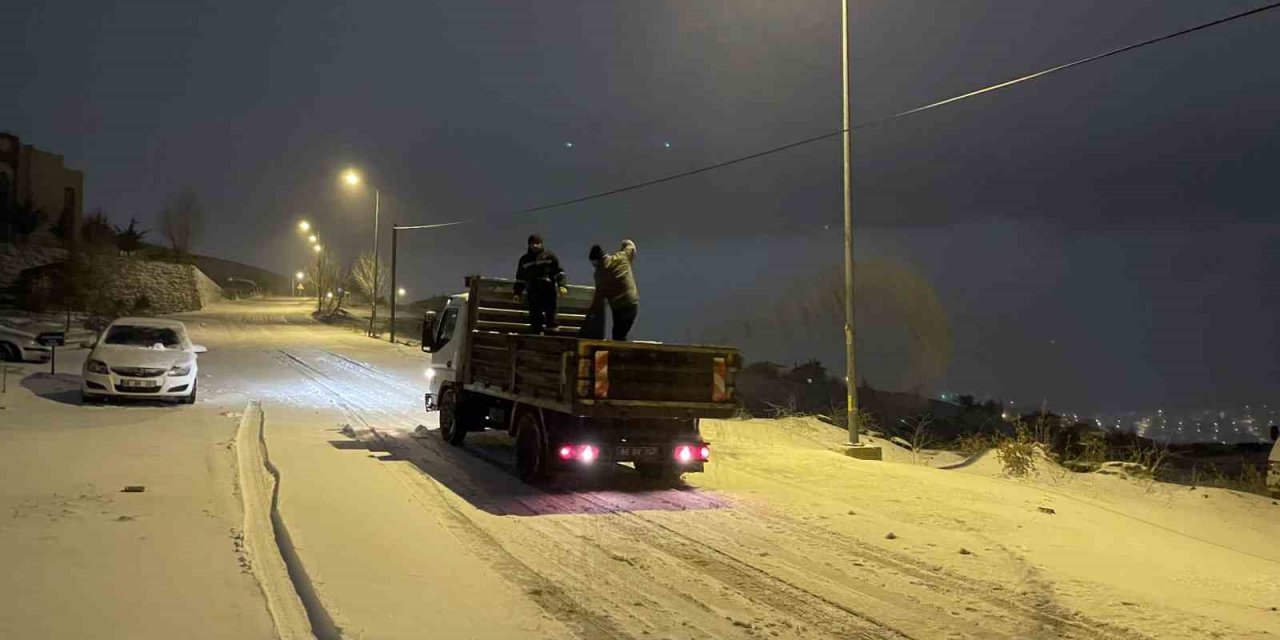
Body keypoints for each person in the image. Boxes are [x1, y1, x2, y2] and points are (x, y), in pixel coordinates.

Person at [581, 240, 638, 340]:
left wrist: (589, 315)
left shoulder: (599, 274)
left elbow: (598, 298)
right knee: (620, 335)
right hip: (631, 303)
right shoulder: (621, 257)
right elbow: (630, 246)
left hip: (617, 307)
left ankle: (622, 352)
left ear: (596, 261)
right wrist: (624, 243)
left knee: (618, 336)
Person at [513, 234, 566, 334]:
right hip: (533, 290)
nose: (535, 246)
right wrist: (517, 293)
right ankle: (537, 333)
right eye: (533, 244)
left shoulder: (550, 256)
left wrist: (562, 285)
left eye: (537, 243)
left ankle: (553, 333)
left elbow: (559, 272)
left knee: (551, 312)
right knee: (535, 313)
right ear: (529, 245)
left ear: (541, 244)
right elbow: (520, 278)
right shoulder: (525, 260)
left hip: (548, 290)